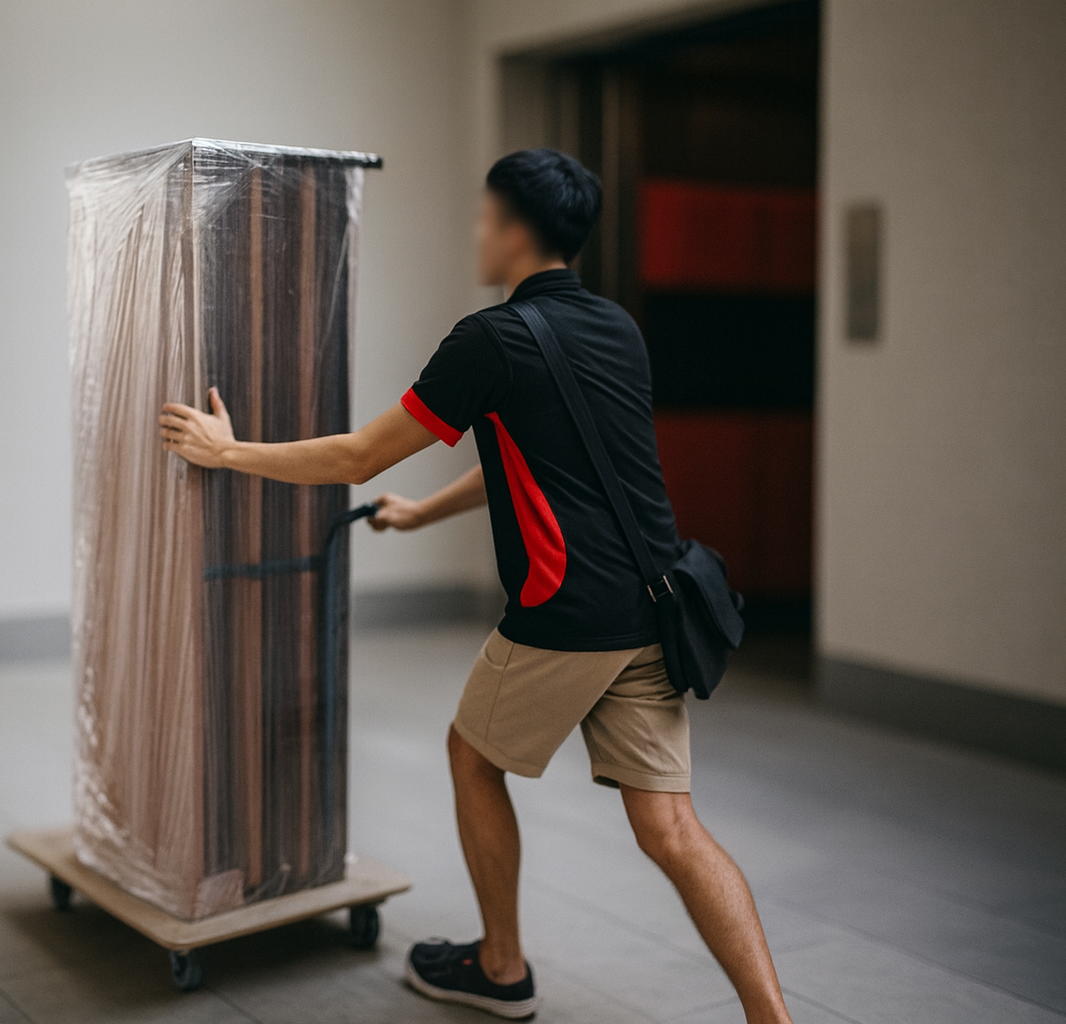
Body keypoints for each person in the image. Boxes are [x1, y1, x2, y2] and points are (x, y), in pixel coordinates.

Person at [159, 148, 793, 1024]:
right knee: (673, 830)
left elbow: (358, 455)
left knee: (470, 753)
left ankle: (500, 967)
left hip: (566, 616)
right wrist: (422, 514)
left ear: (513, 228)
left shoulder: (489, 339)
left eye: (484, 215)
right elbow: (545, 455)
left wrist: (227, 453)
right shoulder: (617, 327)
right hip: (655, 603)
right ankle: (774, 1019)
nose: (476, 231)